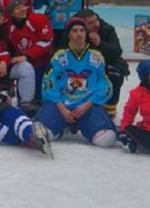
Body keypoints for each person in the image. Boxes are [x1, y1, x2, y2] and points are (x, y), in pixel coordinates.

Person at [34, 17, 117, 147]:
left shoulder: (96, 57)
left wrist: (86, 106)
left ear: (86, 33)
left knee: (107, 139)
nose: (79, 34)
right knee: (41, 133)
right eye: (74, 31)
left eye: (82, 30)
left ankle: (84, 125)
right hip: (60, 106)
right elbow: (48, 83)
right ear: (69, 35)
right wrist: (62, 109)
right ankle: (59, 128)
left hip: (87, 107)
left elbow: (105, 85)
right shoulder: (58, 56)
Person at [75, 8, 130, 119]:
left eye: (96, 20)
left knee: (115, 75)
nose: (96, 24)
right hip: (80, 63)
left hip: (107, 62)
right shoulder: (72, 31)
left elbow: (116, 52)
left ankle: (109, 110)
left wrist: (101, 44)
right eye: (90, 23)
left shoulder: (107, 30)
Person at [5, 0, 54, 114]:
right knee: (26, 105)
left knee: (42, 100)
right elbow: (10, 50)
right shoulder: (9, 27)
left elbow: (47, 41)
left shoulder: (39, 19)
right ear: (12, 13)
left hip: (43, 65)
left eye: (23, 6)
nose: (22, 9)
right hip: (26, 67)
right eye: (18, 8)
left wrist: (28, 56)